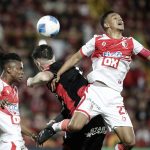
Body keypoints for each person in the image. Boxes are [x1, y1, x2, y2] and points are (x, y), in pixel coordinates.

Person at [51, 11, 150, 150]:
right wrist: (59, 73)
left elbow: (148, 55)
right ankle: (54, 126)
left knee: (129, 142)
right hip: (95, 92)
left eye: (121, 17)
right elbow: (76, 58)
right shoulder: (97, 40)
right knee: (75, 126)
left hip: (114, 97)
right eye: (115, 18)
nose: (120, 19)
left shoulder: (131, 43)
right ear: (106, 24)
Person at [27, 44, 107, 150]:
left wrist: (31, 81)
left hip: (80, 120)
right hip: (99, 119)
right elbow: (71, 104)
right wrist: (54, 122)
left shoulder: (53, 69)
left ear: (37, 63)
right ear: (53, 56)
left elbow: (45, 77)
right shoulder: (68, 68)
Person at [0, 52, 36, 149]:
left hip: (18, 142)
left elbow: (14, 123)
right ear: (9, 69)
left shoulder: (14, 90)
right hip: (9, 143)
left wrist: (32, 134)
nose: (22, 72)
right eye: (19, 69)